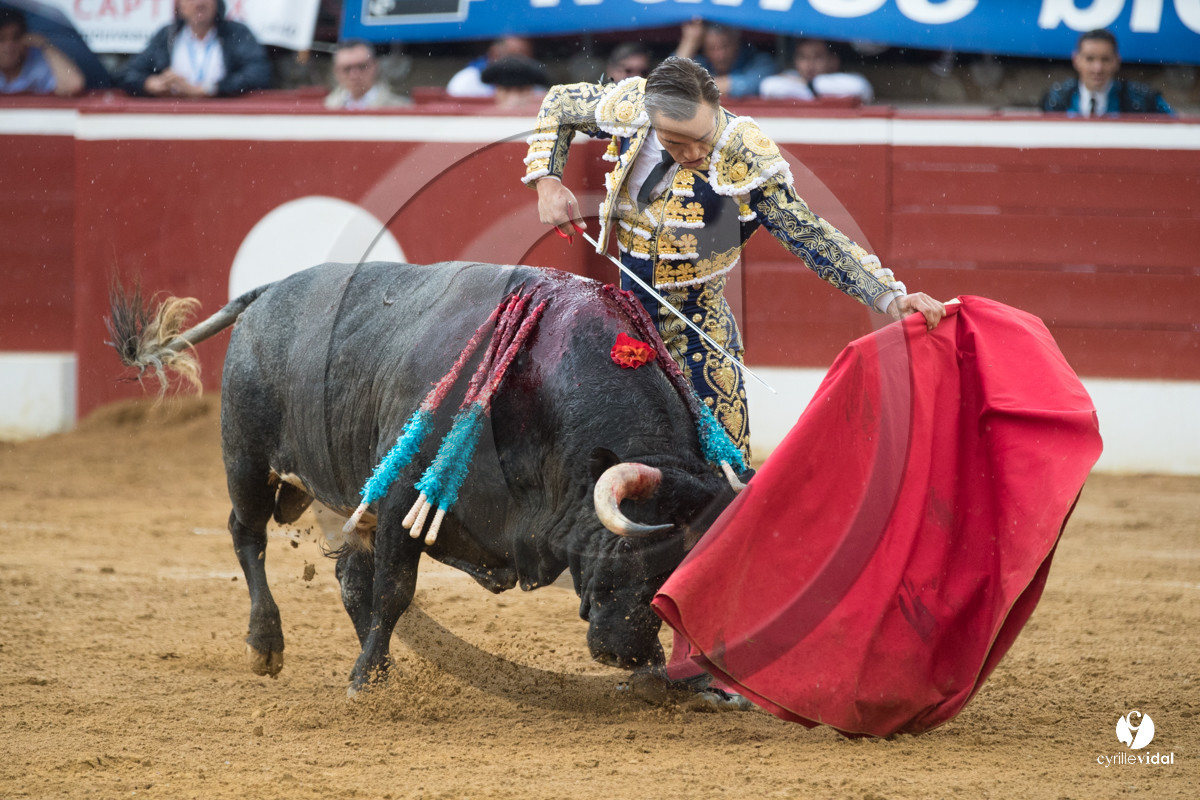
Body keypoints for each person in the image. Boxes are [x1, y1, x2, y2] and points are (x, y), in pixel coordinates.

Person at [523, 57, 944, 458]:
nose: (692, 154)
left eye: (702, 139)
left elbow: (808, 233)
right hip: (626, 319)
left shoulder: (743, 150)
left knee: (725, 469)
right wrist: (548, 180)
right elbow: (559, 103)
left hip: (699, 330)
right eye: (675, 142)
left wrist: (889, 297)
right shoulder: (630, 107)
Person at [116, 0, 270, 98]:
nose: (199, 3)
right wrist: (151, 83)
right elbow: (126, 74)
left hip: (224, 120)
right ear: (179, 5)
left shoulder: (236, 33)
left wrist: (209, 89)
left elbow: (259, 74)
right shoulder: (167, 36)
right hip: (174, 122)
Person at [1041, 29, 1173, 116]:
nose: (1097, 68)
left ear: (1117, 61)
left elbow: (1176, 132)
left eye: (1105, 59)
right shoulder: (1056, 100)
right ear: (1076, 60)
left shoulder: (1143, 100)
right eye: (1090, 59)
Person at [673, 20, 774, 98]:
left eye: (725, 46)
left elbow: (747, 86)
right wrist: (690, 42)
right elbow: (670, 81)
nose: (720, 55)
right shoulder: (699, 61)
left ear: (737, 42)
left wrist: (690, 85)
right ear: (703, 48)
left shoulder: (760, 61)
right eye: (712, 48)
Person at [0, 8, 84, 96]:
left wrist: (45, 45)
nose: (9, 46)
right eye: (1, 39)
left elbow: (74, 85)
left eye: (16, 38)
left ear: (26, 39)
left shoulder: (38, 62)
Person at [760, 38, 873, 103]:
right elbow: (769, 87)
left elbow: (860, 87)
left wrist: (809, 85)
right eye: (803, 57)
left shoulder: (843, 80)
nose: (809, 64)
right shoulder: (790, 77)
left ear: (833, 60)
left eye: (817, 57)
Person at [325, 39, 408, 110]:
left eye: (362, 67)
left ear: (375, 66)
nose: (354, 75)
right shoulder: (326, 108)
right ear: (336, 72)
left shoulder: (401, 107)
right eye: (347, 69)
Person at [446, 35, 534, 98]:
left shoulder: (534, 83)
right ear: (494, 53)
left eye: (523, 56)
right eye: (512, 55)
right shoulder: (466, 81)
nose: (517, 62)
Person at [479, 55, 548, 110]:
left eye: (521, 90)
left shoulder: (545, 121)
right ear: (496, 91)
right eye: (507, 90)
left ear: (531, 91)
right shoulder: (479, 120)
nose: (514, 98)